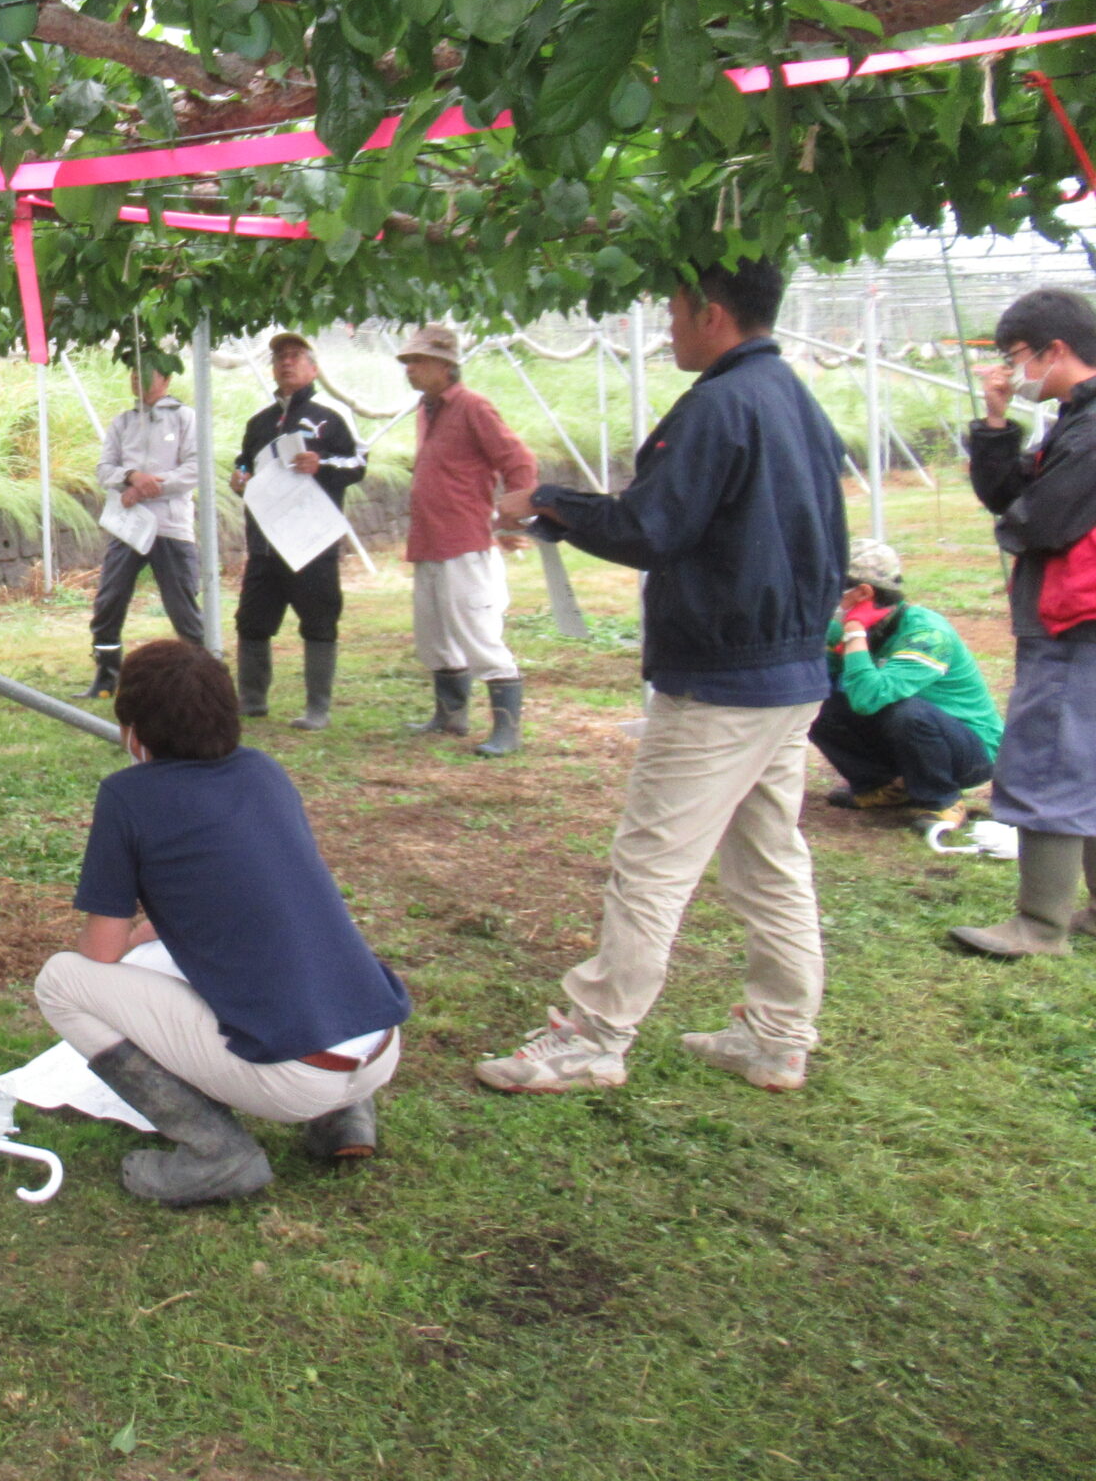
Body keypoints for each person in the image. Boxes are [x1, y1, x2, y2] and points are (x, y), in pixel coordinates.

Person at [477, 259, 847, 1095]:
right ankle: (779, 1033)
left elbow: (652, 526)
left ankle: (595, 1036)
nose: (668, 326)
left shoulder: (720, 405)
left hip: (724, 678)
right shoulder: (792, 396)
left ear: (710, 313)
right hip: (788, 669)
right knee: (769, 857)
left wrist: (553, 503)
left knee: (652, 860)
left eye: (675, 311)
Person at [33, 639, 411, 1206]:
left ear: (131, 731)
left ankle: (217, 1153)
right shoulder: (262, 770)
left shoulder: (128, 796)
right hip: (380, 1046)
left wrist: (137, 937)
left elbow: (101, 952)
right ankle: (345, 1117)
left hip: (298, 1077)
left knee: (61, 981)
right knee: (286, 946)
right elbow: (260, 893)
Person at [947, 286, 1096, 958]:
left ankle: (1039, 925)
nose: (1013, 368)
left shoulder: (1090, 430)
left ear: (1055, 350)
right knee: (1085, 762)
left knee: (1051, 761)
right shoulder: (1072, 419)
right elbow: (1008, 493)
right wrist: (996, 419)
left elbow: (1043, 519)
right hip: (1074, 617)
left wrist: (1018, 521)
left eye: (1017, 358)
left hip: (1074, 622)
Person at [395, 324, 539, 756]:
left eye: (418, 361)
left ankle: (506, 730)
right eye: (408, 362)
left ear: (445, 365)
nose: (411, 369)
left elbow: (518, 460)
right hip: (431, 539)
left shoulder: (472, 406)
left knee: (478, 634)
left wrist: (513, 519)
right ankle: (450, 715)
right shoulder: (429, 409)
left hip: (465, 540)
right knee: (433, 634)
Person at [812, 537, 1001, 835]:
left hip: (970, 750)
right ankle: (883, 786)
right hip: (906, 735)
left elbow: (866, 698)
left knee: (906, 713)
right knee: (813, 698)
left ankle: (943, 800)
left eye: (834, 587)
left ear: (863, 592)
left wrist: (854, 634)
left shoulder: (926, 633)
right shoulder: (849, 627)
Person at [230, 332, 367, 730]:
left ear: (313, 368)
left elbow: (358, 464)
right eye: (279, 358)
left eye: (295, 357)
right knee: (252, 621)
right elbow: (244, 468)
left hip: (311, 541)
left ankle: (317, 708)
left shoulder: (331, 418)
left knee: (319, 620)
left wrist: (320, 464)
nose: (286, 363)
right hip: (265, 543)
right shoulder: (259, 423)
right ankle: (252, 699)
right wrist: (239, 480)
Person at [80, 362, 204, 698]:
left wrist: (151, 487)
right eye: (134, 373)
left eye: (146, 372)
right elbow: (105, 468)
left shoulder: (185, 418)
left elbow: (194, 468)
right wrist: (131, 478)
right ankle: (106, 676)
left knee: (182, 605)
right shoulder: (123, 422)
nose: (139, 379)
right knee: (109, 599)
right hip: (128, 525)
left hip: (170, 525)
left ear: (166, 378)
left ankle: (203, 678)